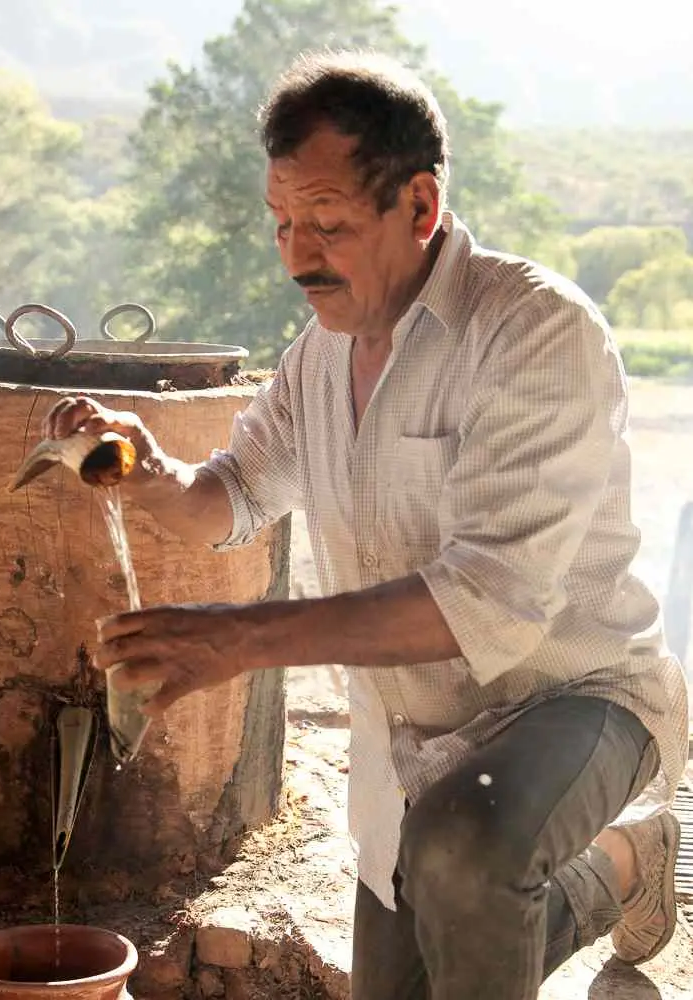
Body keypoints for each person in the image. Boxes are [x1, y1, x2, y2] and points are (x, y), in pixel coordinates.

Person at [45, 50, 690, 998]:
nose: (297, 255)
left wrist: (240, 641)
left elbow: (488, 601)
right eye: (281, 225)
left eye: (329, 223)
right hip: (415, 739)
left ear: (419, 208)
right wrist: (143, 471)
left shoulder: (537, 332)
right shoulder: (317, 356)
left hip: (578, 696)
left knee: (464, 855)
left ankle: (582, 844)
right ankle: (625, 867)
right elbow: (227, 497)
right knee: (430, 955)